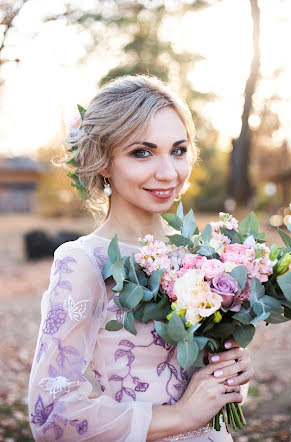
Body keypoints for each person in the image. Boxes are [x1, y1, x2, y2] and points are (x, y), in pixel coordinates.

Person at [28, 74, 254, 441]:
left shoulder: (202, 253)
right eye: (142, 152)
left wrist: (229, 376)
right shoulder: (84, 262)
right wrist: (181, 416)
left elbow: (197, 382)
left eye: (178, 150)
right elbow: (51, 416)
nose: (168, 173)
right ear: (102, 161)